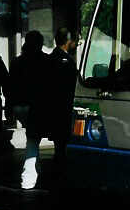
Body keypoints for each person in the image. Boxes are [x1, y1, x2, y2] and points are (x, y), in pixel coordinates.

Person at [8, 31, 49, 189]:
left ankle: (33, 171)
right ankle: (28, 177)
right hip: (36, 106)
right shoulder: (45, 61)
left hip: (19, 106)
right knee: (33, 139)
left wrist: (10, 107)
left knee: (32, 136)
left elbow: (10, 86)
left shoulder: (17, 62)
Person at [45, 28, 79, 188]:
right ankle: (61, 175)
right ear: (68, 42)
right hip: (63, 108)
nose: (76, 44)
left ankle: (58, 172)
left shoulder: (49, 58)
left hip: (52, 108)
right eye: (74, 41)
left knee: (59, 144)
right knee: (63, 143)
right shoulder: (66, 61)